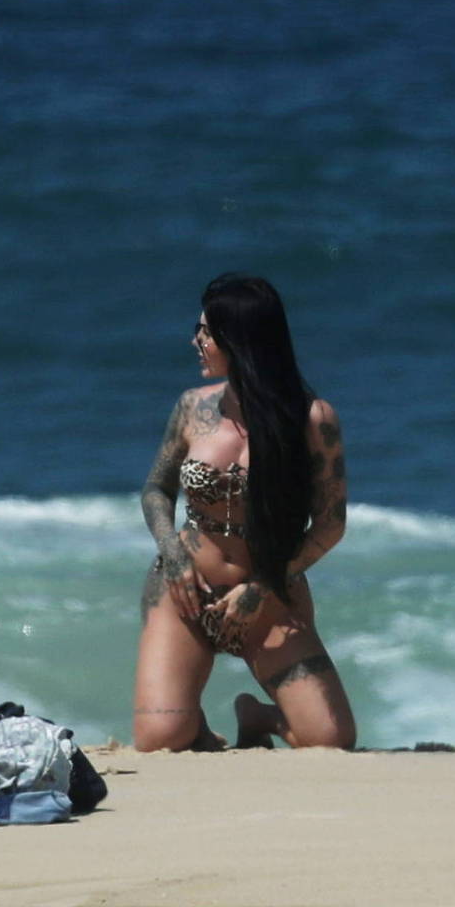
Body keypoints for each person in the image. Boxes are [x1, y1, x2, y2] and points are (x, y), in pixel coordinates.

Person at [132, 274, 355, 751]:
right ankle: (199, 731)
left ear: (240, 341)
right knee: (158, 739)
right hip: (186, 593)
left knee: (330, 740)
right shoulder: (192, 407)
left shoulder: (312, 420)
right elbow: (156, 488)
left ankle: (257, 718)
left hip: (270, 595)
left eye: (206, 333)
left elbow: (331, 523)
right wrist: (172, 552)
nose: (196, 341)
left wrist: (265, 586)